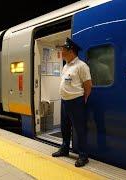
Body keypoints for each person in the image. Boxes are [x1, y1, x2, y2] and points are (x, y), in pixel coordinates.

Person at [52, 38, 92, 167]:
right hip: (65, 102)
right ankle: (64, 149)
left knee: (80, 129)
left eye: (64, 50)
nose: (62, 52)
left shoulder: (81, 66)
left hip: (76, 102)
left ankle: (83, 156)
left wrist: (83, 98)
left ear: (71, 51)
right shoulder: (66, 66)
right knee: (65, 127)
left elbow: (88, 85)